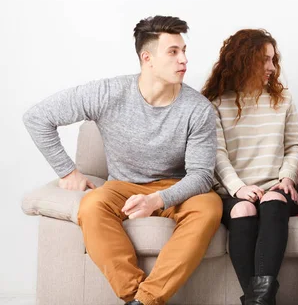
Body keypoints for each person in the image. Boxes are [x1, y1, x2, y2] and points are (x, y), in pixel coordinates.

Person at [23, 16, 222, 305]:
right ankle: (132, 295)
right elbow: (38, 118)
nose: (184, 59)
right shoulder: (108, 93)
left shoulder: (197, 108)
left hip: (176, 189)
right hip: (123, 186)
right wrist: (67, 171)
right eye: (173, 51)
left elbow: (202, 175)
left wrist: (158, 199)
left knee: (209, 206)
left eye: (184, 51)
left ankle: (147, 299)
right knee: (90, 206)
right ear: (147, 58)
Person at [202, 29, 298, 305]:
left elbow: (295, 146)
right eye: (265, 60)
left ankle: (256, 302)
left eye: (273, 60)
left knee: (271, 199)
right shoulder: (215, 103)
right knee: (243, 208)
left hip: (276, 187)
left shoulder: (283, 99)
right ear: (244, 61)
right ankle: (262, 301)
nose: (272, 67)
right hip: (233, 191)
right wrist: (239, 188)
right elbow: (217, 155)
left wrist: (286, 178)